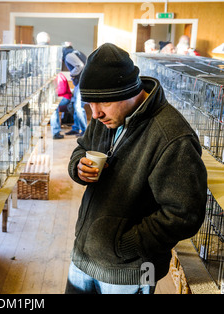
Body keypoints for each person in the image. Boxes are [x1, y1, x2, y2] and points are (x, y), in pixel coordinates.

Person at [65, 43, 207, 294]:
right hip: (84, 257)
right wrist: (78, 166)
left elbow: (185, 215)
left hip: (134, 271)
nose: (95, 113)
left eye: (104, 103)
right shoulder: (104, 117)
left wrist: (123, 245)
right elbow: (82, 147)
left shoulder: (173, 137)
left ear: (130, 91)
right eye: (89, 104)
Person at [62, 45, 88, 136]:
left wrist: (72, 74)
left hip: (81, 83)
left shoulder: (68, 55)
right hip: (81, 82)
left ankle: (85, 131)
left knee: (78, 107)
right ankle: (76, 128)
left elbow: (79, 65)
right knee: (76, 106)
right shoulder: (76, 52)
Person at [51, 73, 72, 139]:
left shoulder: (59, 76)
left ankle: (56, 132)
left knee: (53, 108)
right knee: (54, 109)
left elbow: (61, 90)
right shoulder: (57, 76)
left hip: (64, 98)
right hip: (61, 97)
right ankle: (56, 131)